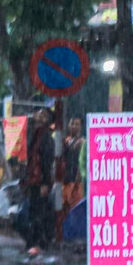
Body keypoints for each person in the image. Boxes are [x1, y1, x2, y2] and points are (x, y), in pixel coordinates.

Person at [22, 108, 56, 257]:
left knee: (39, 213)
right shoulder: (34, 135)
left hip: (40, 181)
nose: (37, 116)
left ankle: (39, 243)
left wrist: (45, 183)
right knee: (33, 212)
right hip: (33, 181)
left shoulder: (46, 138)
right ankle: (34, 242)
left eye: (41, 115)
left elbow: (46, 163)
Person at [57, 116, 85, 242]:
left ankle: (75, 237)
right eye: (72, 123)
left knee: (75, 209)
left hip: (75, 182)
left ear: (81, 127)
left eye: (77, 124)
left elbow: (81, 163)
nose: (73, 126)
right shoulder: (66, 141)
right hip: (65, 180)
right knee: (63, 210)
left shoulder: (82, 142)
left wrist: (78, 181)